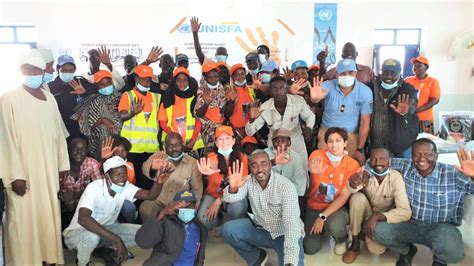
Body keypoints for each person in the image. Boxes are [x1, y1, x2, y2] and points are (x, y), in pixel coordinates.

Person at [0, 50, 70, 264]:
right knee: (23, 221)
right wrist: (13, 175)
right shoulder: (8, 98)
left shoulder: (49, 98)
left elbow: (59, 134)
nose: (35, 73)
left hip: (48, 173)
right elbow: (4, 139)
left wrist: (62, 165)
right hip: (24, 174)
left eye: (38, 70)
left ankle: (49, 259)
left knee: (47, 218)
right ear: (21, 70)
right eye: (30, 69)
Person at [375, 139, 474, 266]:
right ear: (411, 156)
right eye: (417, 154)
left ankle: (440, 259)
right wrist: (366, 173)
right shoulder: (405, 166)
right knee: (378, 230)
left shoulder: (454, 174)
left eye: (428, 154)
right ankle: (407, 251)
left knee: (454, 253)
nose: (422, 159)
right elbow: (377, 161)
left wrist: (473, 176)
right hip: (409, 223)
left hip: (440, 228)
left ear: (437, 156)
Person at [63, 155, 174, 266]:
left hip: (104, 230)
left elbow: (151, 195)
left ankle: (107, 249)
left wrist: (159, 182)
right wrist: (117, 239)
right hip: (76, 233)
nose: (123, 178)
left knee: (143, 233)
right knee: (92, 237)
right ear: (107, 177)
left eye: (125, 174)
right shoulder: (94, 188)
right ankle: (83, 262)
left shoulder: (125, 187)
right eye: (118, 174)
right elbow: (83, 219)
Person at [222, 150, 304, 265]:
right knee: (228, 230)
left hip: (283, 234)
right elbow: (231, 199)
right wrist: (233, 188)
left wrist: (290, 259)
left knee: (293, 262)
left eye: (263, 164)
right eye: (254, 165)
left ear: (271, 165)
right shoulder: (249, 181)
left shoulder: (285, 186)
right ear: (250, 168)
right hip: (262, 229)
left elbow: (291, 225)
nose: (259, 169)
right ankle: (257, 257)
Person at [342, 147, 411, 264]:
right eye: (374, 159)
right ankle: (355, 243)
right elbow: (352, 188)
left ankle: (373, 234)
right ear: (370, 161)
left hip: (383, 219)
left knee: (376, 249)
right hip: (369, 213)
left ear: (389, 161)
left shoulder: (396, 177)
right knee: (357, 198)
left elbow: (405, 211)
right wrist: (353, 183)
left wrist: (379, 216)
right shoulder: (365, 175)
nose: (378, 163)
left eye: (382, 159)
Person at [304, 127, 359, 256]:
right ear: (326, 143)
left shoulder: (352, 165)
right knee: (310, 248)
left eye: (338, 141)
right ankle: (324, 230)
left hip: (337, 208)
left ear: (345, 143)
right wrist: (311, 171)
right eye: (330, 141)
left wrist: (322, 217)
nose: (334, 145)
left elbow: (344, 196)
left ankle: (341, 238)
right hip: (314, 206)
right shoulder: (317, 155)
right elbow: (310, 166)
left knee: (334, 224)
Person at [309, 58, 373, 165]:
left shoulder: (365, 92)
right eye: (343, 73)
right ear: (337, 75)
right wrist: (315, 99)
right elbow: (316, 97)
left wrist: (360, 149)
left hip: (351, 137)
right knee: (323, 167)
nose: (347, 76)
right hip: (326, 135)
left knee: (347, 171)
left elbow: (365, 122)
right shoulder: (328, 86)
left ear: (356, 73)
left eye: (351, 72)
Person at [245, 76, 315, 166]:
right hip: (275, 144)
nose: (278, 92)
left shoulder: (298, 101)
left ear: (287, 89)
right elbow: (249, 132)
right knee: (277, 171)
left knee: (301, 167)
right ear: (270, 91)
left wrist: (309, 127)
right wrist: (251, 120)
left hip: (296, 141)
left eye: (282, 88)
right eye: (275, 89)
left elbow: (310, 116)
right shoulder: (264, 107)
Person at [139, 132, 203, 222]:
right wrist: (153, 168)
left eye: (177, 145)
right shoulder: (159, 157)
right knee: (145, 209)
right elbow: (145, 169)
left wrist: (192, 208)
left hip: (180, 204)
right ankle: (154, 232)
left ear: (183, 144)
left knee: (177, 225)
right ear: (165, 147)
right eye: (170, 146)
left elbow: (197, 189)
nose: (174, 149)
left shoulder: (193, 163)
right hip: (158, 201)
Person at [195, 126, 248, 230]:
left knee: (238, 207)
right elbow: (212, 164)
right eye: (220, 139)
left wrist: (220, 200)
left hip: (233, 196)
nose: (224, 142)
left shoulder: (242, 158)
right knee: (203, 217)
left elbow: (242, 183)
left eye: (227, 138)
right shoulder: (212, 156)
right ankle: (218, 222)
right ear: (216, 143)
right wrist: (209, 168)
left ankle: (236, 226)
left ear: (233, 141)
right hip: (213, 195)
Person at [119, 64, 162, 190]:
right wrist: (133, 112)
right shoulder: (128, 95)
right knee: (133, 183)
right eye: (143, 78)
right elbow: (122, 116)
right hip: (132, 149)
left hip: (152, 148)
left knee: (150, 182)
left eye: (149, 79)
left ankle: (146, 209)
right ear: (137, 78)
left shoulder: (156, 97)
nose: (147, 81)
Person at [136, 190, 205, 265]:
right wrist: (162, 214)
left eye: (190, 206)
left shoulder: (200, 227)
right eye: (181, 206)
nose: (186, 209)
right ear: (174, 207)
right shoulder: (165, 223)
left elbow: (199, 256)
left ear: (195, 207)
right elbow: (142, 242)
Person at [370, 59, 419, 159]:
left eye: (393, 73)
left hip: (400, 146)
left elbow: (412, 106)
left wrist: (406, 112)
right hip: (376, 145)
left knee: (401, 173)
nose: (388, 77)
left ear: (400, 74)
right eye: (385, 73)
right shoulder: (372, 87)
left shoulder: (407, 89)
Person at [71, 69, 122, 159]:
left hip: (120, 145)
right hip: (99, 146)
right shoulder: (91, 100)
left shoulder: (122, 97)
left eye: (108, 83)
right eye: (101, 84)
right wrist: (103, 120)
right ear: (96, 86)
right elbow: (86, 127)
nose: (105, 86)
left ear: (112, 82)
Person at [48, 54, 97, 139]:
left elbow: (96, 95)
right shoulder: (51, 87)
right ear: (57, 69)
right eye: (64, 70)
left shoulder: (82, 82)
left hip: (81, 130)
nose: (67, 73)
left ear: (75, 70)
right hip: (61, 131)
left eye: (70, 70)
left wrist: (85, 93)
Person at [60, 137, 104, 230]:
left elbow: (100, 188)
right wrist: (59, 196)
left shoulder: (91, 163)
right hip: (63, 210)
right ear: (68, 150)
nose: (79, 152)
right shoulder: (59, 166)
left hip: (84, 209)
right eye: (75, 149)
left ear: (87, 150)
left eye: (82, 149)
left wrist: (76, 194)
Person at [158, 67, 204, 153]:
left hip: (191, 145)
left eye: (185, 80)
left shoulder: (194, 98)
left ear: (189, 82)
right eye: (179, 80)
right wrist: (176, 140)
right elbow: (162, 122)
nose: (182, 83)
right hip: (172, 145)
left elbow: (198, 121)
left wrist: (192, 142)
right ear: (174, 82)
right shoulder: (167, 98)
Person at [263, 128, 308, 214]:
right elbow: (258, 171)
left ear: (289, 143)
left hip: (289, 195)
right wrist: (273, 162)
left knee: (299, 207)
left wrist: (284, 197)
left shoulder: (297, 159)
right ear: (272, 142)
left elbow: (299, 187)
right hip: (268, 192)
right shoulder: (265, 154)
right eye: (277, 141)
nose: (279, 144)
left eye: (283, 140)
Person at [100, 136, 137, 223]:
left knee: (129, 207)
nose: (120, 154)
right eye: (116, 151)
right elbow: (102, 170)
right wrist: (104, 159)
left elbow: (133, 185)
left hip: (123, 197)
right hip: (107, 199)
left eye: (123, 150)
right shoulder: (105, 164)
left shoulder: (130, 165)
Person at [194, 62, 228, 151]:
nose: (213, 79)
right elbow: (198, 114)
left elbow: (222, 107)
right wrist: (206, 103)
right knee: (210, 153)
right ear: (205, 77)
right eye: (210, 77)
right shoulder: (202, 90)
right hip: (207, 130)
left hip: (219, 127)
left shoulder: (220, 86)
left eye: (215, 76)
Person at [404, 56, 441, 134]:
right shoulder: (407, 80)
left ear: (426, 67)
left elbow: (434, 100)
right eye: (414, 66)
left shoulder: (433, 81)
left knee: (425, 142)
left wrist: (416, 110)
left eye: (419, 66)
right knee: (409, 141)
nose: (416, 67)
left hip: (426, 119)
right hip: (409, 117)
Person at [225, 63, 256, 137]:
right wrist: (232, 101)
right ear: (233, 77)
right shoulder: (229, 91)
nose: (240, 77)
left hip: (251, 129)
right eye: (237, 75)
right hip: (236, 131)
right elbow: (227, 114)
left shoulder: (251, 89)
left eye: (242, 74)